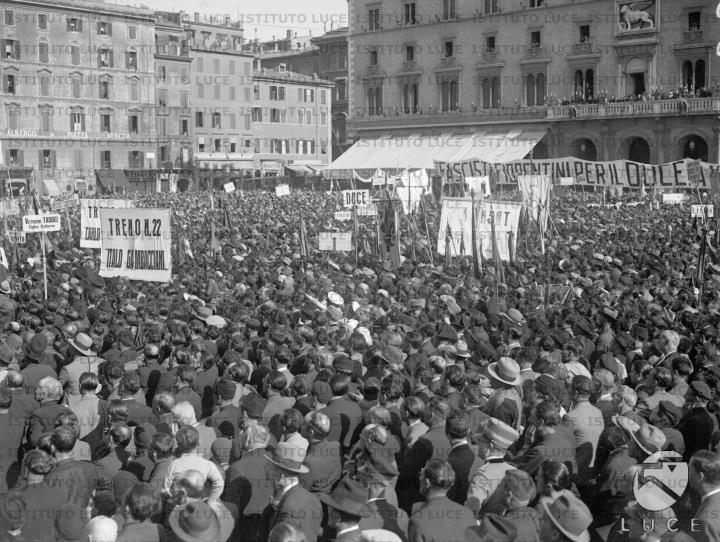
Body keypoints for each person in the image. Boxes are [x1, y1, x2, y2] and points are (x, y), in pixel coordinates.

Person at [261, 441, 323, 542]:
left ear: (281, 475)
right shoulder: (314, 500)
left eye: (270, 468)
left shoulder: (288, 509)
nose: (267, 472)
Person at [407, 458, 476, 542]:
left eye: (421, 475)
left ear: (427, 483)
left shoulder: (418, 522)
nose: (419, 478)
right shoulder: (468, 514)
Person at [466, 417, 520, 516]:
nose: (477, 443)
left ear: (490, 445)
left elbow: (470, 512)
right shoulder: (514, 471)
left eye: (480, 440)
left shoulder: (483, 476)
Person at [163, 425, 224, 500]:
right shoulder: (208, 465)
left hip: (180, 506)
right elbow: (219, 484)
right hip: (198, 505)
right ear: (199, 443)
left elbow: (166, 487)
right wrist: (211, 500)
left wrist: (175, 500)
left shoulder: (174, 464)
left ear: (179, 445)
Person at [299, 411, 342, 495]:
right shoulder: (336, 446)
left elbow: (301, 489)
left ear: (311, 432)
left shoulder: (310, 462)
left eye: (303, 424)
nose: (300, 426)